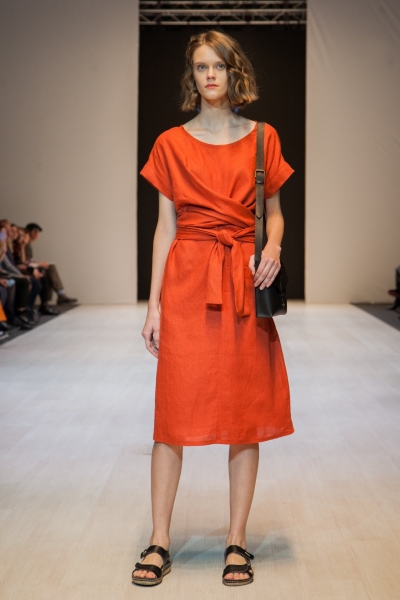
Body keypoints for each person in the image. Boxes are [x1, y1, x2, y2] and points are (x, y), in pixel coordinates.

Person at [133, 30, 294, 587]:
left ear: (234, 72)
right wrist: (153, 306)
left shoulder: (263, 137)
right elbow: (165, 228)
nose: (209, 76)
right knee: (172, 414)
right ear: (192, 75)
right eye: (201, 67)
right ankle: (159, 539)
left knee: (244, 412)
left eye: (218, 66)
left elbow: (274, 213)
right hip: (187, 281)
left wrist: (274, 246)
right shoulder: (169, 143)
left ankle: (237, 539)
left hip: (244, 278)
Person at [24, 222, 77, 305]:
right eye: (34, 231)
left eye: (38, 232)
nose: (37, 234)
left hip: (29, 267)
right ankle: (58, 295)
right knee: (48, 269)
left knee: (48, 268)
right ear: (27, 232)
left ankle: (52, 298)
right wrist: (38, 265)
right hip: (26, 269)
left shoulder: (28, 245)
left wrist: (38, 264)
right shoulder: (25, 245)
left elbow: (29, 260)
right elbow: (25, 262)